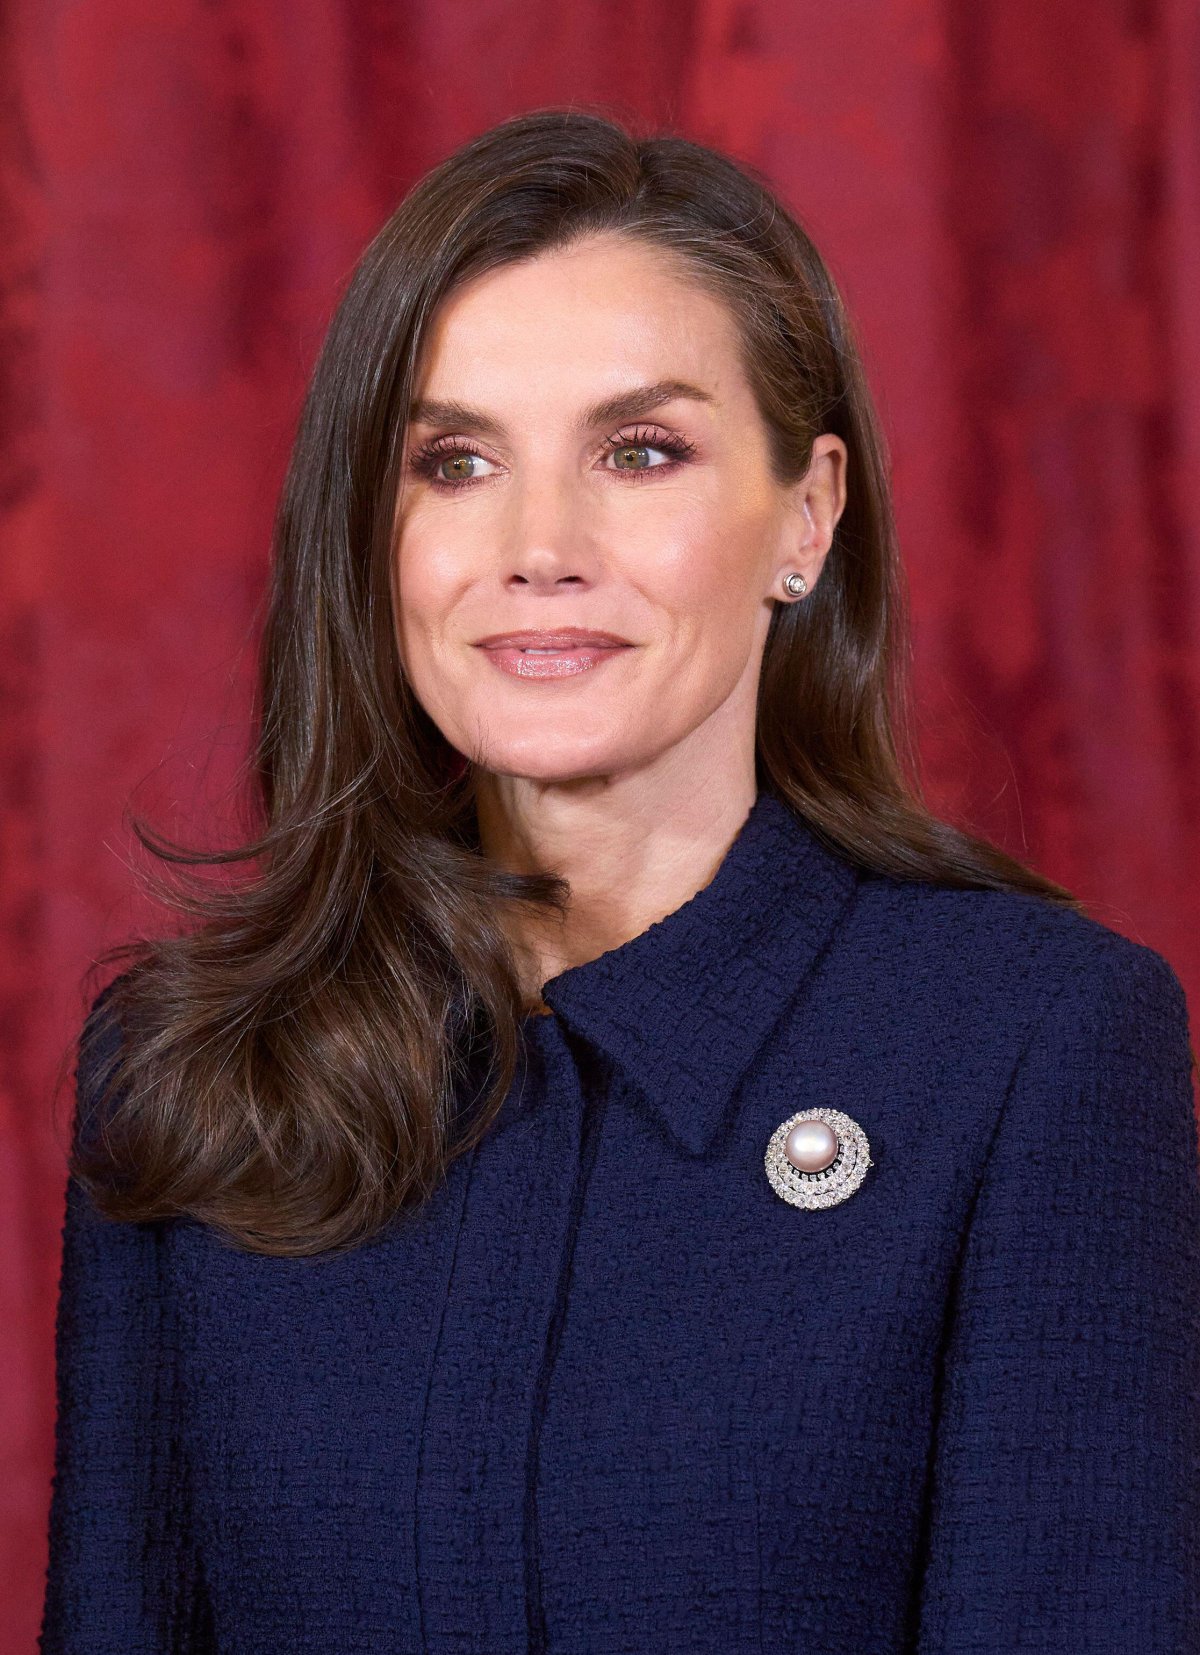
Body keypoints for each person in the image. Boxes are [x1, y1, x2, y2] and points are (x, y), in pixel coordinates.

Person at [40, 107, 1200, 1654]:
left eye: (639, 451)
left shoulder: (1035, 1049)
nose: (539, 546)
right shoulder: (188, 1064)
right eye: (454, 463)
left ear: (808, 513)